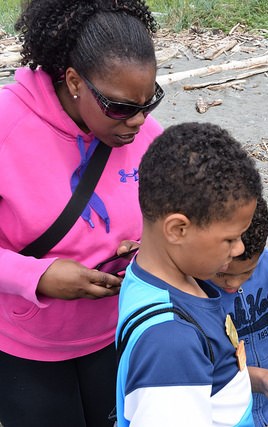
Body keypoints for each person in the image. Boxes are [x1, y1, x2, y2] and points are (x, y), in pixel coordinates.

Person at [0, 1, 164, 426]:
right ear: (74, 81)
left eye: (150, 101)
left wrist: (153, 251)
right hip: (27, 347)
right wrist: (36, 277)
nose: (138, 121)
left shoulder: (148, 135)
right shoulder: (7, 127)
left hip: (121, 333)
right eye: (120, 106)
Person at [115, 122, 268, 427]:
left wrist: (260, 380)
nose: (239, 248)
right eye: (230, 238)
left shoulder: (170, 279)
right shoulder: (170, 343)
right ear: (178, 229)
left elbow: (205, 381)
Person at [212, 195, 268, 426]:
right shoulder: (198, 291)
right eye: (222, 274)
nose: (233, 284)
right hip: (231, 406)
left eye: (247, 272)